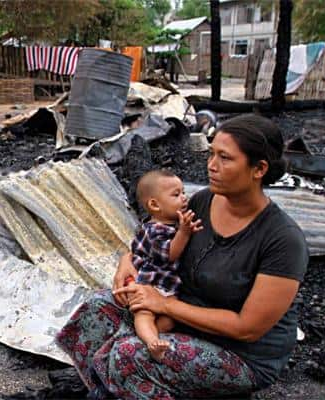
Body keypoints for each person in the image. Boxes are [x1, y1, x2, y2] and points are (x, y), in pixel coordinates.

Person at [56, 114, 308, 399]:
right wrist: (127, 261)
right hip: (185, 319)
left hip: (241, 354)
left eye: (225, 158)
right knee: (97, 310)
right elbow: (155, 240)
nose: (211, 165)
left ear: (258, 169)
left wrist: (163, 304)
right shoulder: (202, 202)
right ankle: (109, 388)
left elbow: (246, 328)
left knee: (129, 354)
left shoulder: (282, 240)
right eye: (211, 153)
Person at [129, 170, 203, 362]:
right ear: (154, 204)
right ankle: (151, 341)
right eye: (176, 195)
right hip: (150, 286)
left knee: (170, 321)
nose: (184, 198)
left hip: (169, 290)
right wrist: (185, 233)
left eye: (184, 192)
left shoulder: (174, 225)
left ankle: (148, 339)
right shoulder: (154, 230)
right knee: (143, 314)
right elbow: (170, 254)